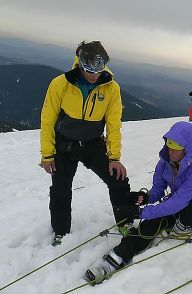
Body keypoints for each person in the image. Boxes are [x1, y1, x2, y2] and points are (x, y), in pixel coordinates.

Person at [84, 121, 192, 285]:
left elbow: (177, 202)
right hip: (174, 207)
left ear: (188, 149)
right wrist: (145, 198)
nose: (171, 150)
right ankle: (110, 263)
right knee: (148, 225)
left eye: (176, 146)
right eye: (169, 144)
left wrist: (140, 213)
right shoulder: (164, 164)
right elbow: (158, 190)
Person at [39, 41, 130, 246]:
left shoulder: (111, 88)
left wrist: (114, 158)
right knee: (61, 188)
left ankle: (125, 222)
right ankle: (60, 231)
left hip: (92, 143)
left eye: (98, 69)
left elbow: (114, 124)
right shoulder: (60, 84)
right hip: (65, 144)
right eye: (90, 70)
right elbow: (47, 120)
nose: (94, 75)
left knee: (118, 180)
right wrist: (47, 155)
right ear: (80, 64)